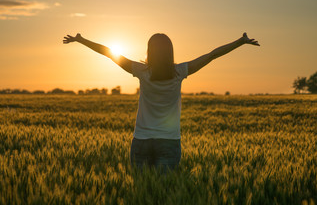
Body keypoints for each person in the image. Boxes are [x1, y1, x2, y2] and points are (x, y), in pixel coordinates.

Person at [63, 32, 259, 173]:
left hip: (141, 141)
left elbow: (108, 52)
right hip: (169, 142)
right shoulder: (180, 71)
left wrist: (81, 40)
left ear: (149, 51)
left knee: (141, 193)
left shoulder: (141, 71)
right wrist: (240, 42)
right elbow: (212, 55)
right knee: (164, 195)